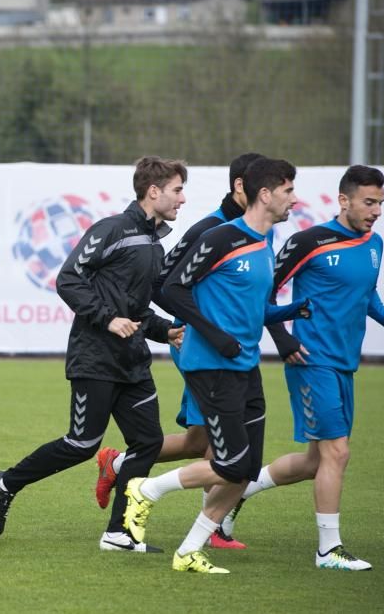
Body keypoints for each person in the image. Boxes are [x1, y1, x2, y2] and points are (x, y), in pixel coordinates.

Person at [0, 156, 186, 552]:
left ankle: (118, 532)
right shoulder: (112, 228)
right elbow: (69, 279)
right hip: (94, 358)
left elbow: (139, 309)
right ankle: (7, 482)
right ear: (154, 191)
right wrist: (109, 319)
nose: (183, 199)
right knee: (83, 444)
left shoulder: (153, 242)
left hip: (133, 362)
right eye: (178, 190)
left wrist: (168, 331)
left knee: (148, 443)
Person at [125, 157, 309, 574]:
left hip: (244, 365)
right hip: (210, 364)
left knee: (244, 470)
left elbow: (251, 307)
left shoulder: (265, 243)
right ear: (265, 194)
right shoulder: (221, 236)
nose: (294, 199)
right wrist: (214, 335)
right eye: (288, 191)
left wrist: (294, 311)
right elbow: (172, 288)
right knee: (229, 464)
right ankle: (146, 488)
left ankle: (190, 549)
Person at [217, 165, 384, 571]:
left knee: (316, 461)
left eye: (380, 203)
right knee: (338, 452)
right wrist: (284, 340)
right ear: (344, 200)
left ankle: (243, 490)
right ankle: (328, 550)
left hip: (343, 363)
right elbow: (263, 293)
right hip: (310, 360)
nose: (376, 211)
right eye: (369, 202)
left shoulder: (375, 243)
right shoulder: (309, 241)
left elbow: (365, 290)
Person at [95, 152, 263, 550]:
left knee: (199, 440)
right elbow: (165, 285)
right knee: (223, 452)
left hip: (222, 350)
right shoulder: (212, 230)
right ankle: (208, 527)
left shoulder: (251, 231)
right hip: (202, 349)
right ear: (244, 187)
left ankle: (118, 464)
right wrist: (197, 328)